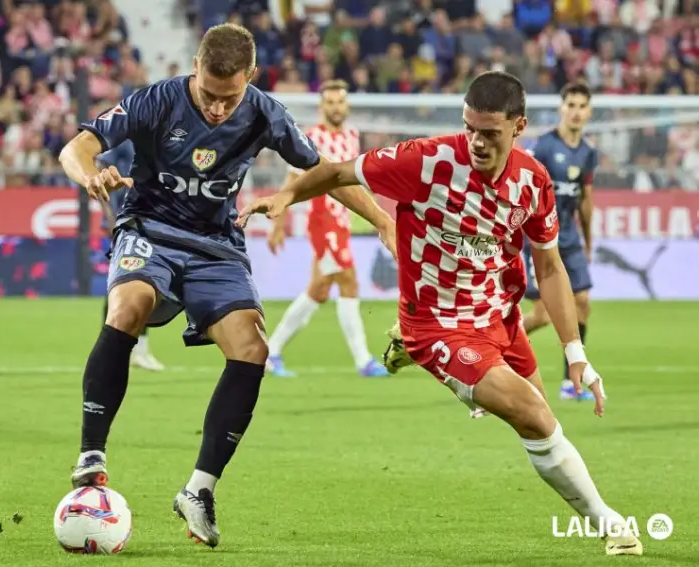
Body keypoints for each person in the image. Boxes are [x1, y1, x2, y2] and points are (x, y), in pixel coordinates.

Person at [238, 71, 642, 557]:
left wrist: (574, 351)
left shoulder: (533, 182)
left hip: (499, 315)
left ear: (518, 127)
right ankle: (611, 525)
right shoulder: (427, 160)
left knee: (539, 416)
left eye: (490, 132)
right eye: (470, 127)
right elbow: (339, 171)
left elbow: (550, 266)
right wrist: (288, 196)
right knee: (534, 415)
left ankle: (442, 368)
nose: (476, 141)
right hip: (437, 325)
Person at [58, 23, 395, 548]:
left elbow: (325, 172)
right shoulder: (156, 101)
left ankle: (199, 490)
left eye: (228, 98)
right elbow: (76, 147)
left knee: (251, 349)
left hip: (217, 244)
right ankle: (91, 454)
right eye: (209, 96)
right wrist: (90, 175)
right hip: (150, 229)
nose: (217, 109)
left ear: (251, 78)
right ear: (195, 67)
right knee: (129, 307)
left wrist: (383, 221)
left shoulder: (265, 112)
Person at [265, 79, 389, 378]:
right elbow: (292, 182)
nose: (335, 107)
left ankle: (270, 352)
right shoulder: (311, 138)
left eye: (340, 101)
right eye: (330, 102)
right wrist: (278, 224)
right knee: (348, 281)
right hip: (322, 220)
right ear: (322, 107)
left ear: (346, 105)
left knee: (319, 290)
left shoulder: (352, 136)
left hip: (342, 221)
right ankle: (363, 360)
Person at [522, 82, 597, 400]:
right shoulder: (542, 148)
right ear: (561, 109)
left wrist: (588, 240)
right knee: (543, 314)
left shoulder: (589, 153)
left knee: (581, 304)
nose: (576, 111)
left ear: (589, 112)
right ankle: (492, 344)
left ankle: (571, 382)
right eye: (571, 105)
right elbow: (524, 190)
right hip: (540, 239)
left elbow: (585, 199)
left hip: (569, 239)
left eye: (582, 106)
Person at [98, 142, 165, 371]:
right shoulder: (125, 137)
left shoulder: (162, 134)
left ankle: (138, 350)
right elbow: (101, 168)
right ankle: (113, 348)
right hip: (127, 219)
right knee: (125, 282)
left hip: (152, 219)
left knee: (144, 282)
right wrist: (108, 214)